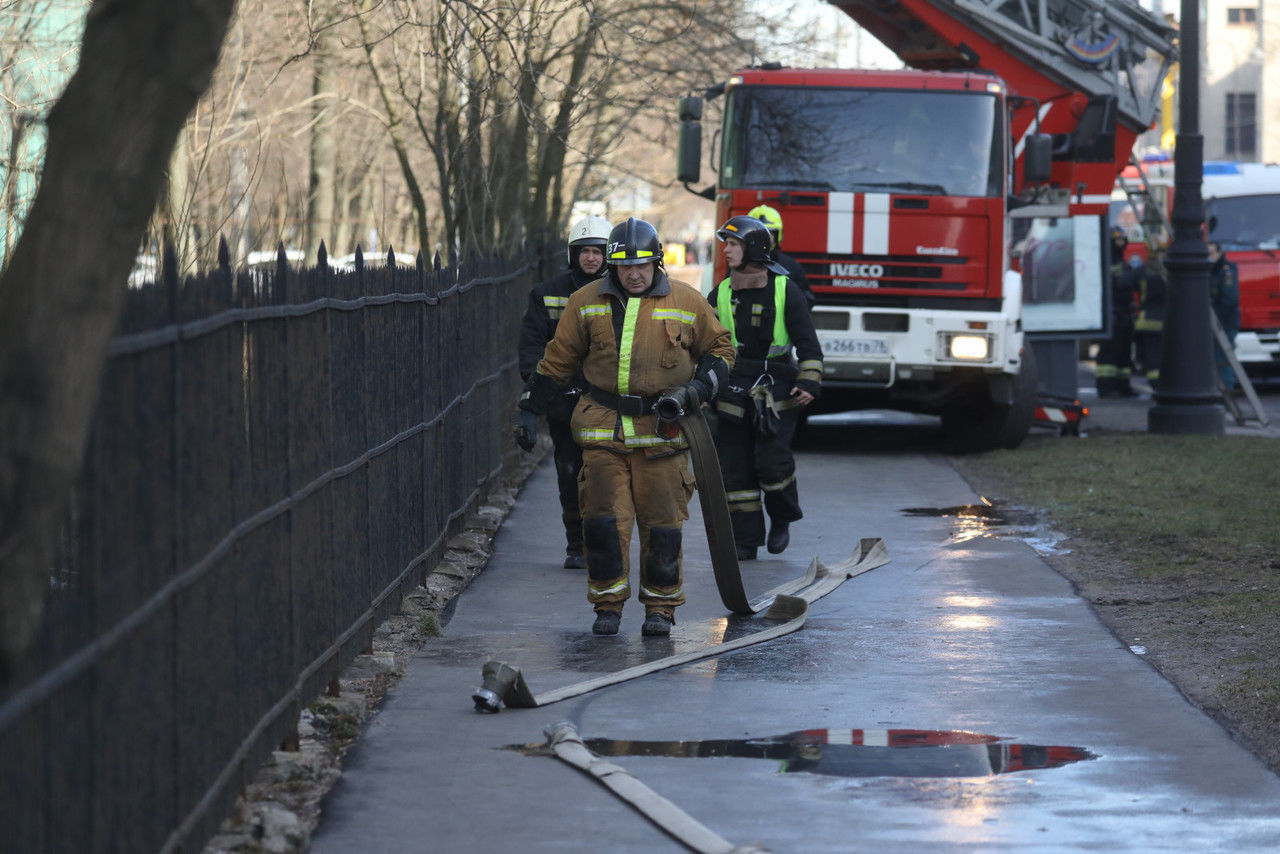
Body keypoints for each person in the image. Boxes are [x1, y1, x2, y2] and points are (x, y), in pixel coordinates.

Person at [514, 217, 734, 636]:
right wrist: (528, 409)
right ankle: (607, 605)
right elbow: (556, 360)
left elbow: (721, 349)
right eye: (624, 266)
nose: (633, 274)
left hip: (663, 433)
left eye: (642, 266)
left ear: (657, 263)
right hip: (602, 430)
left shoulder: (687, 301)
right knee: (602, 521)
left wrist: (698, 388)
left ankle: (661, 609)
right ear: (612, 266)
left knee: (663, 525)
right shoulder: (585, 301)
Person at [710, 215, 823, 561]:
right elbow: (703, 346)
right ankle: (746, 540)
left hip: (777, 391)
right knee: (735, 467)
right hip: (732, 390)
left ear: (753, 249)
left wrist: (808, 381)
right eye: (725, 244)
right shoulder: (720, 293)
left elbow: (809, 344)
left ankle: (782, 517)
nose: (726, 251)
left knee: (772, 463)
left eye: (732, 244)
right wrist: (702, 388)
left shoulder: (785, 289)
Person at [517, 215, 611, 568]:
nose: (591, 258)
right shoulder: (546, 293)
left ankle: (604, 542)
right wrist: (539, 392)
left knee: (605, 474)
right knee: (569, 472)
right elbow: (531, 349)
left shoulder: (621, 293)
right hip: (563, 403)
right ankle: (577, 545)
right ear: (574, 254)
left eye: (598, 251)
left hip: (607, 402)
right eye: (585, 251)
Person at [1095, 227, 1138, 397]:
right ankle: (1106, 387)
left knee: (1124, 353)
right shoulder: (1106, 261)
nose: (1120, 242)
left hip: (1125, 313)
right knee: (1109, 353)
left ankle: (1123, 386)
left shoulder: (1123, 263)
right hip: (1111, 313)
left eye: (1122, 239)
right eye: (1117, 239)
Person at [748, 204, 815, 309]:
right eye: (758, 233)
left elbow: (807, 301)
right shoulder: (738, 265)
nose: (763, 238)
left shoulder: (791, 268)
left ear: (778, 236)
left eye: (768, 233)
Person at [1208, 242, 1241, 390]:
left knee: (1223, 358)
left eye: (1211, 252)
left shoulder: (1227, 270)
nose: (1209, 256)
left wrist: (1216, 320)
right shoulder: (1210, 269)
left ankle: (1227, 390)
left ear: (1220, 252)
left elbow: (1230, 299)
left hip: (1225, 323)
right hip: (1213, 322)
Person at [1132, 252, 1166, 388]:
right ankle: (1162, 382)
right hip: (1165, 321)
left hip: (1146, 321)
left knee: (1152, 354)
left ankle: (1155, 383)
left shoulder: (1142, 271)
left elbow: (1123, 282)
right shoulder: (1168, 272)